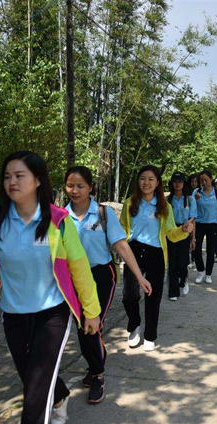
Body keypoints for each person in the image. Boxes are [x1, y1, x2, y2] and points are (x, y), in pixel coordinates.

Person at [0, 151, 101, 424]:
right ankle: (60, 394)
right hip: (12, 315)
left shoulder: (58, 221)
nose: (11, 181)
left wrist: (92, 311)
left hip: (53, 315)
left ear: (37, 180)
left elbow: (79, 269)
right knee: (31, 378)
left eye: (19, 175)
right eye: (7, 176)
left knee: (35, 394)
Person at [64, 166, 151, 404]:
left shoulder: (103, 213)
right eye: (70, 185)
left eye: (80, 185)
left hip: (101, 276)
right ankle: (95, 364)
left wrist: (139, 277)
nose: (75, 190)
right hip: (72, 280)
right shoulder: (60, 217)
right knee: (83, 328)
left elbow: (122, 246)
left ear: (90, 187)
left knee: (90, 327)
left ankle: (98, 375)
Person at [120, 166, 194, 352]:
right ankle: (134, 324)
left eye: (151, 179)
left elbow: (171, 233)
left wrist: (183, 230)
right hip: (133, 251)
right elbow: (121, 229)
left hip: (155, 253)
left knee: (153, 296)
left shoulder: (164, 206)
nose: (146, 182)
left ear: (157, 183)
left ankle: (150, 335)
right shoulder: (130, 204)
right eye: (143, 178)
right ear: (138, 181)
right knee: (130, 294)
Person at [193, 170, 217, 284]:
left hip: (213, 225)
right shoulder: (196, 192)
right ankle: (200, 270)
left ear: (211, 179)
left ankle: (208, 274)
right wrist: (195, 200)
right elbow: (190, 207)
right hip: (198, 224)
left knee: (210, 250)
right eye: (201, 180)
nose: (204, 182)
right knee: (196, 249)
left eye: (206, 180)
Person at [166, 172, 196, 301]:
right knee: (172, 263)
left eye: (180, 181)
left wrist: (193, 238)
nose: (177, 184)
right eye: (175, 181)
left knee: (182, 263)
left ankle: (184, 279)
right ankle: (173, 292)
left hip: (185, 230)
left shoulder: (190, 199)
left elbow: (192, 219)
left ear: (184, 184)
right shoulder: (167, 200)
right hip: (171, 230)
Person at [187, 174, 199, 270]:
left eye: (195, 181)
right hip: (189, 219)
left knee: (194, 239)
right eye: (192, 181)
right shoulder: (186, 193)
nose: (193, 183)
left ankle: (194, 259)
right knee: (189, 238)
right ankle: (190, 259)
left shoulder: (200, 192)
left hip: (198, 219)